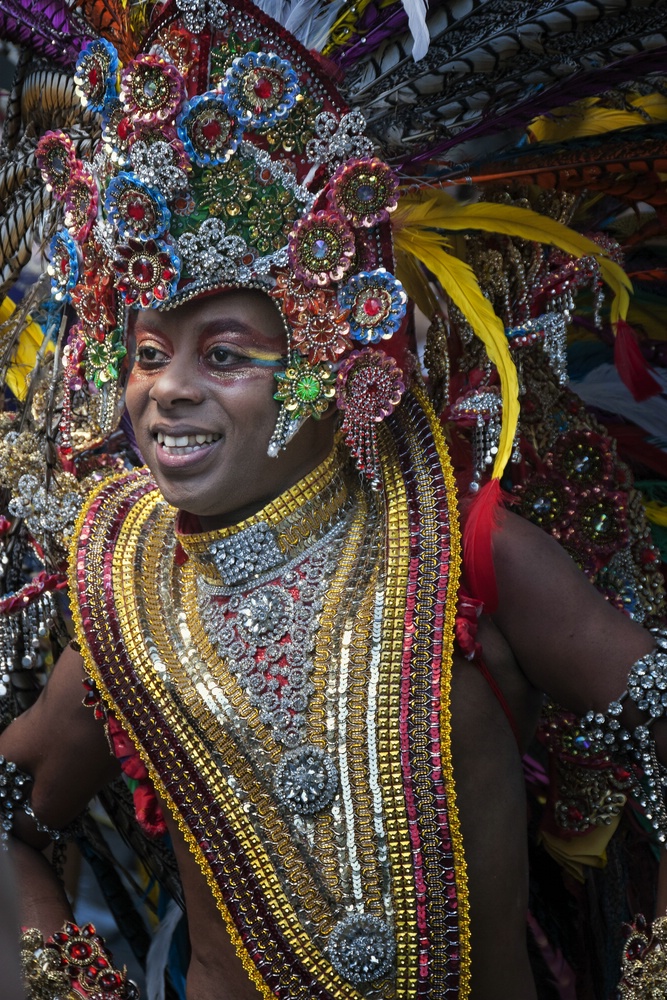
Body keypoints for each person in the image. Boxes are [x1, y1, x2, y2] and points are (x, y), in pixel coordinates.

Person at [0, 2, 666, 998]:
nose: (166, 388)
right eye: (145, 352)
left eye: (221, 353)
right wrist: (63, 977)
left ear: (324, 361)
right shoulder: (120, 593)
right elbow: (15, 799)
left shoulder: (465, 543)